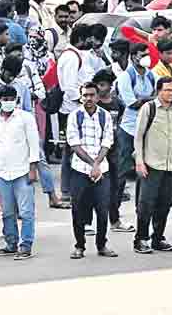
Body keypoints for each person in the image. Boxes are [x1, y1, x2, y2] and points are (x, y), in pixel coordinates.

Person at [0, 85, 39, 260]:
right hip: (2, 171)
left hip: (22, 171)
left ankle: (26, 245)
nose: (8, 102)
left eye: (11, 99)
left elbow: (33, 144)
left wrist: (33, 169)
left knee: (26, 212)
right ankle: (11, 243)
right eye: (4, 99)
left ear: (16, 100)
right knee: (7, 211)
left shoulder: (25, 118)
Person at [134, 76, 172, 253]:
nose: (171, 93)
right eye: (167, 90)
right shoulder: (149, 108)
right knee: (146, 204)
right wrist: (139, 161)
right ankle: (140, 239)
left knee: (164, 204)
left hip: (170, 166)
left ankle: (158, 238)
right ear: (158, 91)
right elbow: (138, 136)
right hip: (151, 164)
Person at [66, 82, 116, 259]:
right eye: (85, 95)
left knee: (103, 209)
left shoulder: (105, 116)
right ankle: (79, 245)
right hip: (80, 169)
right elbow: (74, 144)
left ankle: (102, 245)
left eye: (91, 95)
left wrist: (97, 164)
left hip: (102, 169)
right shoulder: (74, 116)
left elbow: (107, 142)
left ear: (97, 96)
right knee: (78, 209)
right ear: (81, 96)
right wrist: (93, 164)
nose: (88, 98)